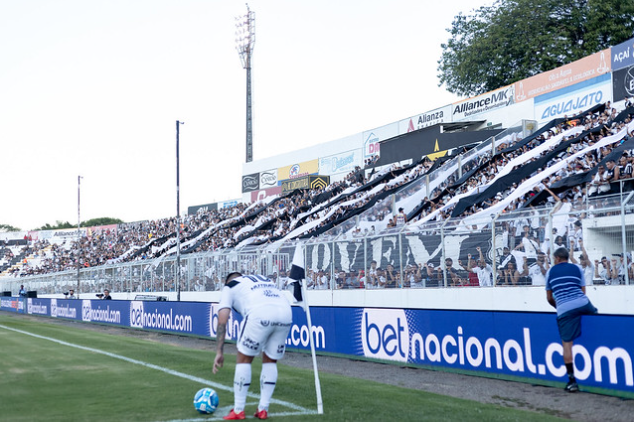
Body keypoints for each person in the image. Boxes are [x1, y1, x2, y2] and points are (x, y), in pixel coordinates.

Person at [213, 272, 292, 420]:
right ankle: (263, 409)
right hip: (285, 312)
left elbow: (222, 319)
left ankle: (238, 410)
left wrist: (219, 351)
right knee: (270, 360)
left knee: (244, 359)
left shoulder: (229, 287)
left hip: (260, 313)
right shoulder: (263, 279)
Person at [546, 247, 597, 393]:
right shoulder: (577, 268)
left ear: (557, 259)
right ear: (567, 258)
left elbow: (549, 298)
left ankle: (572, 381)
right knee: (598, 318)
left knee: (567, 345)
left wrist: (560, 305)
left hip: (564, 309)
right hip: (583, 303)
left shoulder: (551, 272)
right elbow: (583, 292)